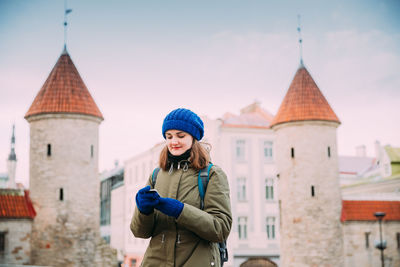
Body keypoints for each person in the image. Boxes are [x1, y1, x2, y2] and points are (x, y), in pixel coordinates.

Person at [130, 108, 232, 267]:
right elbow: (140, 232)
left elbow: (220, 228)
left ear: (194, 138)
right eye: (169, 136)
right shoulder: (156, 175)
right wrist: (143, 211)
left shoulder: (212, 174)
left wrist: (179, 210)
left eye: (180, 135)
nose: (173, 141)